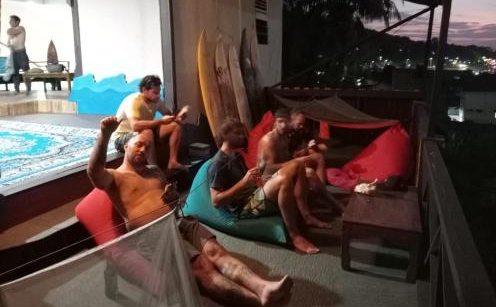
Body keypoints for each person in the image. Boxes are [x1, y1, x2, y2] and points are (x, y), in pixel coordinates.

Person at [87, 116, 292, 306]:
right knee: (202, 267)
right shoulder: (114, 177)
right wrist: (104, 134)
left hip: (180, 221)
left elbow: (172, 201)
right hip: (153, 233)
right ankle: (257, 302)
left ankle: (263, 287)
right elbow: (94, 172)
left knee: (216, 252)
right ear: (126, 146)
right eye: (139, 144)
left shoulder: (156, 171)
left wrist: (172, 197)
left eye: (147, 147)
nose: (143, 150)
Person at [208, 118, 330, 255]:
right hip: (244, 207)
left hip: (254, 194)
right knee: (284, 179)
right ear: (225, 135)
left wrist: (258, 172)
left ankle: (306, 215)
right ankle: (294, 235)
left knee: (297, 165)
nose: (242, 136)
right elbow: (216, 201)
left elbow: (248, 182)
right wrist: (244, 182)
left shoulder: (236, 156)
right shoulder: (217, 163)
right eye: (237, 133)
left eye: (242, 133)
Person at [258, 108, 344, 214]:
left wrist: (298, 155)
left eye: (286, 122)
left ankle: (324, 197)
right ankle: (330, 202)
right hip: (271, 180)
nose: (283, 125)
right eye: (280, 121)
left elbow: (288, 156)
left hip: (284, 171)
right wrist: (298, 161)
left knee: (313, 163)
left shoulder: (285, 136)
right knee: (309, 171)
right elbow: (268, 168)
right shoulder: (269, 140)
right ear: (275, 121)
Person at [113, 75, 186, 170]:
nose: (158, 95)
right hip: (122, 138)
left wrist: (178, 117)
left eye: (159, 92)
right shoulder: (134, 101)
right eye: (155, 92)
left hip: (143, 133)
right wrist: (160, 121)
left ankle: (173, 161)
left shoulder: (156, 101)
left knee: (174, 126)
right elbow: (135, 126)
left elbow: (168, 115)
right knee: (147, 131)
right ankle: (154, 169)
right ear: (144, 90)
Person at [7, 15, 30, 93]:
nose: (10, 22)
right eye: (10, 21)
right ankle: (17, 89)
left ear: (17, 22)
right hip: (14, 53)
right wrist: (9, 45)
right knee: (15, 72)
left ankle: (28, 88)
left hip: (21, 52)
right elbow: (9, 41)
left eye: (12, 21)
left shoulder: (21, 28)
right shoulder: (11, 31)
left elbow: (10, 32)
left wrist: (10, 32)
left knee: (26, 70)